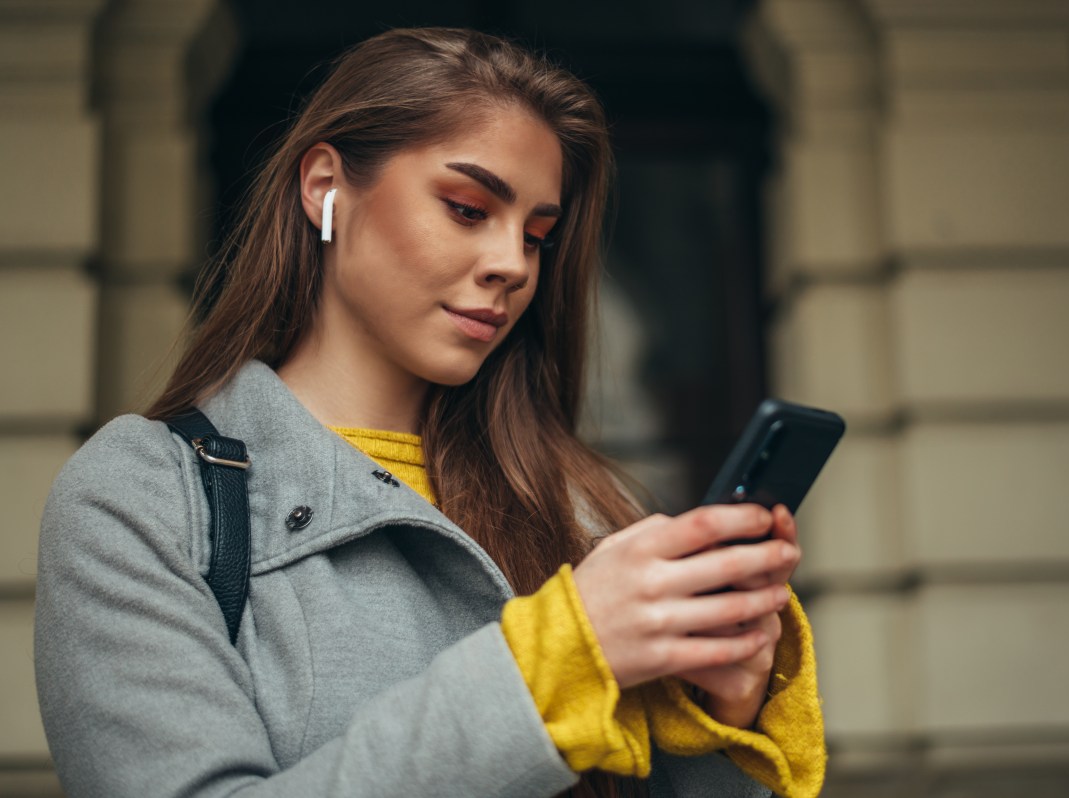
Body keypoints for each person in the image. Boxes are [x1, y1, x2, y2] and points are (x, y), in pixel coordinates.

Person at [34, 27, 824, 798]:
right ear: (325, 188)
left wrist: (724, 705)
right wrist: (555, 667)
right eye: (468, 208)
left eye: (538, 235)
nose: (512, 264)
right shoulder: (144, 497)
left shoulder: (582, 513)